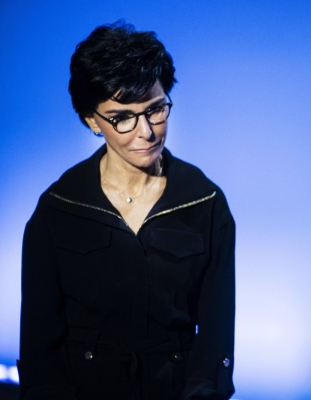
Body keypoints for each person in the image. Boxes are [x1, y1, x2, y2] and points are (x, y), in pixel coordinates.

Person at [18, 22, 235, 400]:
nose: (146, 132)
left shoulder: (205, 202)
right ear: (92, 120)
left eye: (155, 110)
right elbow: (40, 346)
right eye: (122, 118)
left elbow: (215, 338)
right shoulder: (58, 208)